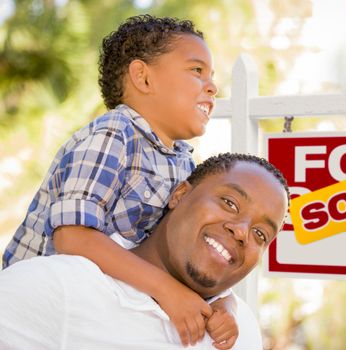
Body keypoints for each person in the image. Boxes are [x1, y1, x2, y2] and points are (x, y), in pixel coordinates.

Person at [0, 14, 237, 348]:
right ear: (142, 77)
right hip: (42, 314)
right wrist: (166, 289)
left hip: (104, 309)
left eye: (211, 77)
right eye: (196, 71)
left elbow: (182, 248)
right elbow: (74, 237)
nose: (212, 86)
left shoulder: (184, 162)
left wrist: (224, 306)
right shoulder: (115, 134)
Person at [0, 153, 290, 349]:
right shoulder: (57, 288)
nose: (241, 231)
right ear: (180, 194)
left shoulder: (243, 329)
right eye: (229, 202)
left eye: (260, 234)